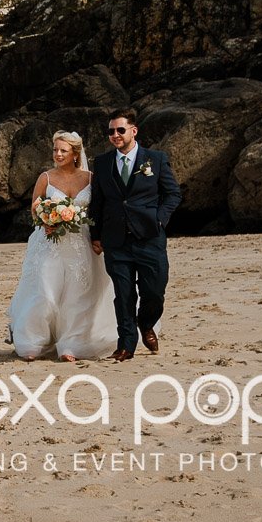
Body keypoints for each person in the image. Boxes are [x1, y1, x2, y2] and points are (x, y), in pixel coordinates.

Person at [6, 131, 118, 361]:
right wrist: (45, 220)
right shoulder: (45, 178)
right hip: (50, 243)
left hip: (81, 244)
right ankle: (33, 342)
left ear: (75, 153)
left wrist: (100, 237)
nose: (57, 154)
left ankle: (71, 344)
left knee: (79, 296)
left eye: (63, 151)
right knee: (45, 293)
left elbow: (97, 209)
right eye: (55, 150)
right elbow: (35, 208)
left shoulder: (90, 178)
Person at [88, 107, 181, 362]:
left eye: (120, 130)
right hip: (115, 240)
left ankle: (147, 322)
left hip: (150, 237)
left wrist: (159, 220)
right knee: (124, 294)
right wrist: (94, 234)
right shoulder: (103, 163)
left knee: (154, 291)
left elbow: (173, 194)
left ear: (133, 130)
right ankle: (126, 345)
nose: (115, 135)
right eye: (111, 131)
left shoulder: (156, 159)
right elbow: (97, 202)